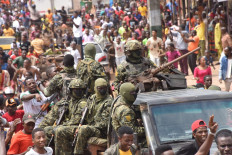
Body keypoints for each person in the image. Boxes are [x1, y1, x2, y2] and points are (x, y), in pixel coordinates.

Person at [39, 79, 87, 155]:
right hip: (68, 126)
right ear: (71, 90)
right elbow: (50, 118)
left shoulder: (83, 103)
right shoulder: (68, 101)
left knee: (59, 130)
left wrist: (62, 125)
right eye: (76, 90)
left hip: (78, 127)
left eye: (80, 90)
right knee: (46, 130)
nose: (78, 92)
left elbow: (76, 120)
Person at [73, 78, 113, 154]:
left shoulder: (109, 101)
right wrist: (79, 126)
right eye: (100, 88)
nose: (102, 90)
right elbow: (85, 115)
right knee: (64, 130)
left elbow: (104, 123)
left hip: (101, 131)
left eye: (104, 88)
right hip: (90, 127)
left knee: (84, 129)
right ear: (95, 88)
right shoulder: (92, 98)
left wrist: (89, 127)